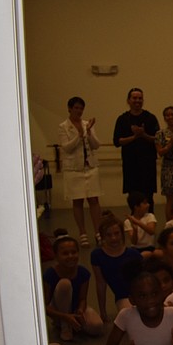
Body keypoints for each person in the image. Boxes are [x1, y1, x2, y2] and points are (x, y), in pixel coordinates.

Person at [43, 232, 105, 341]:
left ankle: (74, 322)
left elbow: (82, 299)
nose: (70, 256)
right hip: (59, 312)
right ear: (56, 256)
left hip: (75, 308)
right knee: (64, 284)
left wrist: (80, 310)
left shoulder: (83, 273)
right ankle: (64, 325)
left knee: (97, 327)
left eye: (74, 252)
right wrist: (64, 317)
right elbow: (45, 306)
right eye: (65, 253)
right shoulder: (50, 274)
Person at [58, 96, 102, 247]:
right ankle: (82, 233)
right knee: (77, 201)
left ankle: (98, 232)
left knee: (94, 200)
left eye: (81, 108)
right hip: (73, 169)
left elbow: (96, 145)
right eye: (76, 108)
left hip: (90, 166)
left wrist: (88, 133)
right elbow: (66, 147)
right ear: (69, 109)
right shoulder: (63, 126)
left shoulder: (86, 124)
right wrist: (79, 136)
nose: (79, 111)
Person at [113, 88, 160, 213]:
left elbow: (158, 139)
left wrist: (143, 134)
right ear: (128, 100)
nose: (137, 101)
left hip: (147, 164)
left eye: (140, 98)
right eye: (134, 98)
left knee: (148, 198)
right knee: (133, 198)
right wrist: (134, 137)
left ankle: (150, 225)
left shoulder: (150, 118)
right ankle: (135, 226)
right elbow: (117, 142)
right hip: (130, 165)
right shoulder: (122, 119)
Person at [91, 216, 143, 323]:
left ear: (122, 234)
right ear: (102, 236)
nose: (113, 238)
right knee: (130, 317)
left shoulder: (133, 254)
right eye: (109, 235)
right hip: (123, 297)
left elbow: (144, 279)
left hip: (139, 294)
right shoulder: (97, 255)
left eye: (116, 233)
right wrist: (102, 311)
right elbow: (100, 283)